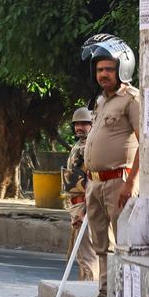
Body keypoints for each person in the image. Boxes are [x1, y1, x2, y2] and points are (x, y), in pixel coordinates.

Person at [75, 34, 140, 297]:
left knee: (122, 246)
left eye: (109, 69)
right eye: (100, 69)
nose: (103, 74)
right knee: (101, 245)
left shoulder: (132, 100)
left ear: (122, 68)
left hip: (118, 183)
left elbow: (146, 142)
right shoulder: (101, 102)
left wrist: (131, 182)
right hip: (96, 183)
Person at [61, 107, 98, 281]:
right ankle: (85, 287)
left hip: (85, 205)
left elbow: (93, 181)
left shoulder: (92, 147)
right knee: (80, 255)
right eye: (77, 124)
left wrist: (85, 211)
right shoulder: (80, 145)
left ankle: (92, 290)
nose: (80, 127)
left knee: (87, 256)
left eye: (84, 124)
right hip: (76, 204)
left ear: (92, 125)